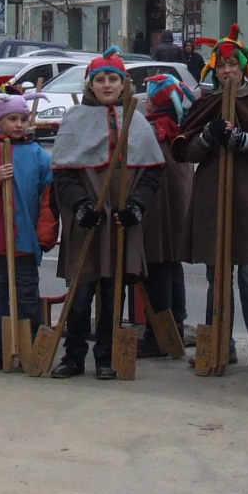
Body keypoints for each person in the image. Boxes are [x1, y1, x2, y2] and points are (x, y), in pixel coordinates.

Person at [49, 52, 165, 379]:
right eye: (100, 80)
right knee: (81, 291)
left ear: (123, 83)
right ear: (91, 85)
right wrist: (80, 205)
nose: (107, 85)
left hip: (120, 221)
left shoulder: (136, 120)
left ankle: (106, 355)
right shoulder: (75, 119)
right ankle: (73, 355)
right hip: (87, 220)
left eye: (113, 79)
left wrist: (137, 205)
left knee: (114, 292)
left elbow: (153, 173)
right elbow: (63, 174)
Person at [174, 36, 248, 370]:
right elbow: (186, 151)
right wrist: (208, 136)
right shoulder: (206, 103)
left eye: (233, 64)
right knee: (217, 276)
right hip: (213, 197)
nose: (227, 71)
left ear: (243, 68)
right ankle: (218, 344)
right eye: (221, 66)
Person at [0, 94, 49, 371]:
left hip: (25, 241)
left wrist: (45, 233)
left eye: (23, 119)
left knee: (28, 297)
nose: (19, 124)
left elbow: (47, 198)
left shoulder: (39, 155)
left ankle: (30, 349)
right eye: (12, 119)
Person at [136, 72, 199, 360]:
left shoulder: (152, 132)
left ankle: (159, 337)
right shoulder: (179, 131)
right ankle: (175, 329)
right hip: (177, 210)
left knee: (158, 268)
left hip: (157, 211)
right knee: (172, 267)